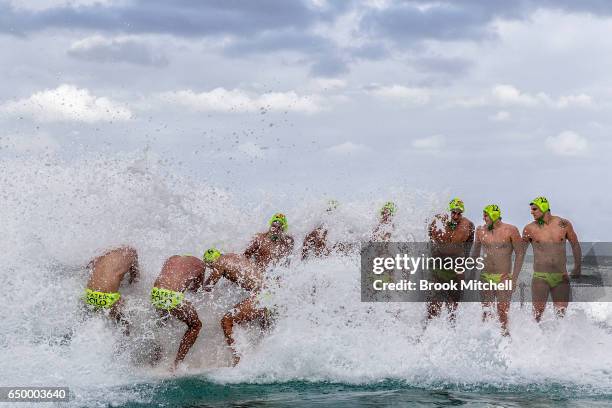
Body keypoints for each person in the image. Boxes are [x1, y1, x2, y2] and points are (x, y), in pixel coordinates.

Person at [214, 213, 294, 365]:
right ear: (270, 225)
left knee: (261, 326)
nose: (276, 228)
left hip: (271, 291)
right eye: (274, 225)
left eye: (280, 226)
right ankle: (253, 358)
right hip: (266, 290)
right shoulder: (259, 239)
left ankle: (241, 360)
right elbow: (244, 259)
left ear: (283, 229)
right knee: (261, 325)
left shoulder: (288, 242)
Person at [522, 196, 581, 321]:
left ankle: (559, 340)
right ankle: (533, 339)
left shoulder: (563, 224)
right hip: (540, 276)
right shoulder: (529, 229)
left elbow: (575, 244)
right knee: (537, 314)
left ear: (543, 208)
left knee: (561, 313)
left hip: (561, 276)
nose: (531, 212)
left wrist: (577, 267)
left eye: (534, 209)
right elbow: (520, 252)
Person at [470, 204, 525, 335]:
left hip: (503, 277)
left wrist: (514, 279)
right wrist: (469, 273)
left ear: (494, 215)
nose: (483, 218)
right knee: (486, 311)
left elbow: (520, 253)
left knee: (502, 312)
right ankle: (485, 341)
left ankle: (506, 339)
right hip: (485, 277)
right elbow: (475, 254)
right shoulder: (480, 231)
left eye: (486, 215)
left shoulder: (511, 230)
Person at [150, 255, 206, 369]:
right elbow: (196, 289)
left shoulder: (172, 258)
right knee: (195, 325)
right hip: (172, 296)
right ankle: (176, 364)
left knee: (162, 321)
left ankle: (155, 357)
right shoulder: (200, 265)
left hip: (156, 293)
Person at [425, 198, 475, 322]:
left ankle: (451, 332)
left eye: (459, 213)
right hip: (439, 267)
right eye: (454, 212)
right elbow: (430, 237)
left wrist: (462, 264)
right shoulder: (439, 220)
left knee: (453, 306)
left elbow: (468, 246)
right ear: (449, 210)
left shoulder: (468, 225)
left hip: (456, 269)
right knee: (434, 304)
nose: (456, 216)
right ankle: (426, 331)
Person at [83, 246, 139, 334]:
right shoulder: (132, 254)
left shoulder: (104, 254)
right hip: (108, 297)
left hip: (90, 294)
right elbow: (135, 279)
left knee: (93, 319)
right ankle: (125, 342)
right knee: (126, 323)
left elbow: (90, 265)